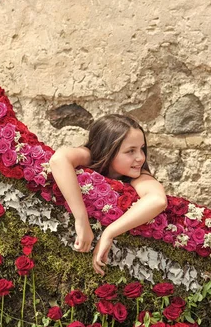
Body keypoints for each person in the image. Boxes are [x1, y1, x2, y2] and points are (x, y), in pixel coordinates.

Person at [49, 114, 167, 276]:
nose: (140, 157)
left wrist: (109, 233)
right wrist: (81, 220)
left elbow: (157, 200)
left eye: (142, 149)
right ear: (107, 150)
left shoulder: (139, 174)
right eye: (130, 151)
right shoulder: (90, 156)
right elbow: (59, 159)